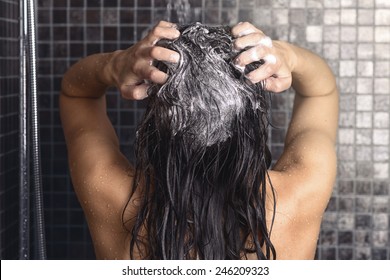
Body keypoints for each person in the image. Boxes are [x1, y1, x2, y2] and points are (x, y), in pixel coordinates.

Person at [60, 21, 338, 259]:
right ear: (248, 123)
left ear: (159, 123)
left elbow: (76, 93)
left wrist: (115, 64)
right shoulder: (299, 194)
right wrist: (287, 56)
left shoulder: (112, 194)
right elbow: (321, 92)